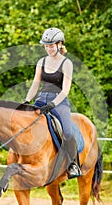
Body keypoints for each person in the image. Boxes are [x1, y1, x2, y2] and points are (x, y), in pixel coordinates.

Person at [24, 27, 82, 178]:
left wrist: (53, 104)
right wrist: (26, 100)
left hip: (60, 102)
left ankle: (72, 164)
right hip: (41, 99)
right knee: (24, 123)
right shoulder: (41, 61)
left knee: (68, 133)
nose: (48, 49)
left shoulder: (67, 63)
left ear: (59, 44)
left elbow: (65, 90)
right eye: (46, 46)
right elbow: (36, 84)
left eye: (51, 45)